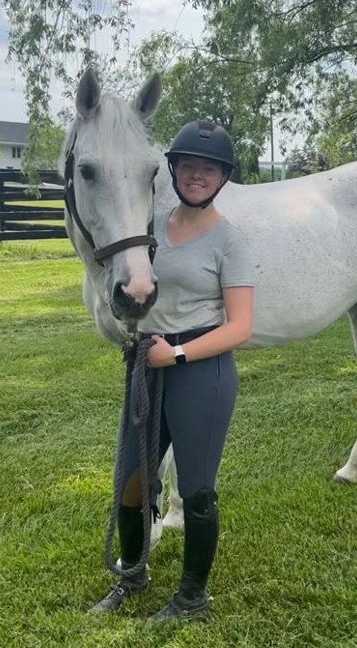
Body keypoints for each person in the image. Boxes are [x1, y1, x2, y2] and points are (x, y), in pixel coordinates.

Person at [91, 119, 255, 621]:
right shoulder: (150, 228)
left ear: (222, 177)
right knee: (132, 481)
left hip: (202, 371)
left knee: (197, 487)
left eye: (208, 169)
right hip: (148, 364)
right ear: (174, 171)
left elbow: (241, 327)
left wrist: (178, 355)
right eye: (188, 166)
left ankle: (191, 597)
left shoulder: (231, 241)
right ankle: (132, 574)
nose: (197, 175)